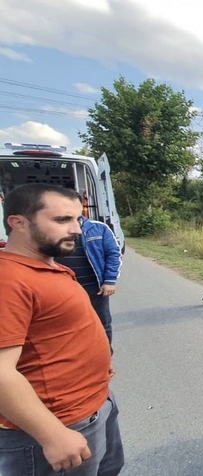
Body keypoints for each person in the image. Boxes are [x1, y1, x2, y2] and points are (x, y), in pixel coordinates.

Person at [0, 183, 124, 476]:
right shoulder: (9, 280)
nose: (77, 230)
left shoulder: (49, 266)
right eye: (62, 220)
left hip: (93, 406)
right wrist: (51, 435)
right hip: (57, 427)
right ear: (18, 223)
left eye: (77, 219)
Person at [56, 217, 122, 348]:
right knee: (68, 326)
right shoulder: (53, 228)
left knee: (102, 323)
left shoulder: (99, 228)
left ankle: (105, 357)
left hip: (94, 287)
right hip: (63, 289)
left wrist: (109, 280)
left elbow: (113, 253)